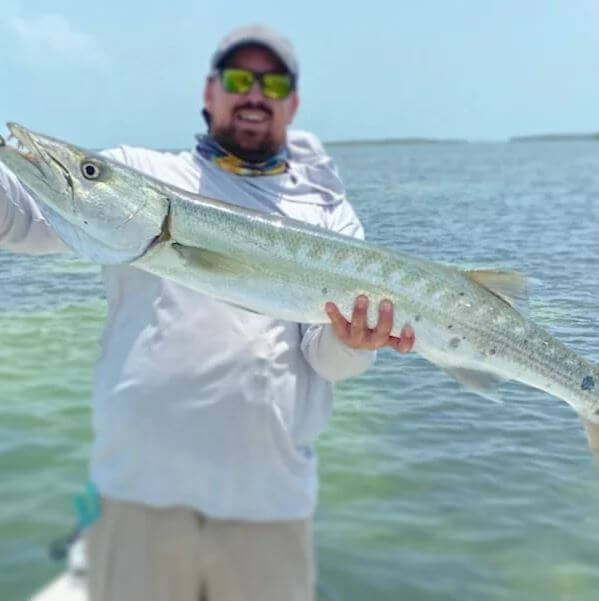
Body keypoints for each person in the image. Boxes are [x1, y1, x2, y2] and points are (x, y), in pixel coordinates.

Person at [0, 25, 415, 601]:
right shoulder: (139, 173)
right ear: (209, 91)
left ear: (292, 103)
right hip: (137, 501)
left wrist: (355, 342)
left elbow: (330, 362)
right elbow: (14, 214)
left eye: (272, 83)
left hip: (268, 513)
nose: (255, 94)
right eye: (239, 79)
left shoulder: (328, 214)